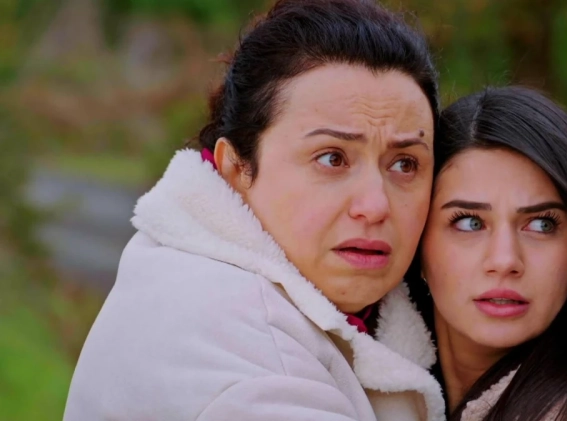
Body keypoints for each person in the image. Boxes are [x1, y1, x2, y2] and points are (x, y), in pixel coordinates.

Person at [64, 1, 445, 420]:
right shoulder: (246, 357)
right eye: (332, 158)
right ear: (235, 169)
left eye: (405, 164)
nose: (374, 206)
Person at [407, 86, 567, 421]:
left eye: (541, 225)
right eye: (470, 222)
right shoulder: (360, 387)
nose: (505, 260)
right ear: (418, 241)